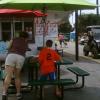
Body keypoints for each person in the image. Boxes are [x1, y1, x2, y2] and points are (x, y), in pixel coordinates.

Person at [2, 31, 29, 100]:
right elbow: (26, 50)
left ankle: (4, 94)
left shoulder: (13, 39)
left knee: (8, 76)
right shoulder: (26, 42)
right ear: (26, 37)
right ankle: (18, 94)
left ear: (19, 35)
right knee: (17, 76)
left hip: (11, 56)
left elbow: (8, 47)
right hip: (20, 57)